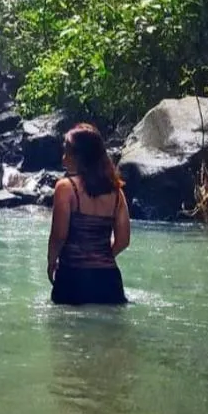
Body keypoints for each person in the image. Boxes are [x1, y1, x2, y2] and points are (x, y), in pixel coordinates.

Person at [47, 123, 130, 306]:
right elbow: (123, 241)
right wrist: (101, 258)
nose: (63, 159)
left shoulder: (65, 187)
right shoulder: (116, 192)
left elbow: (59, 236)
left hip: (73, 279)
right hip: (109, 282)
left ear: (80, 157)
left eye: (67, 153)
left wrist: (51, 262)